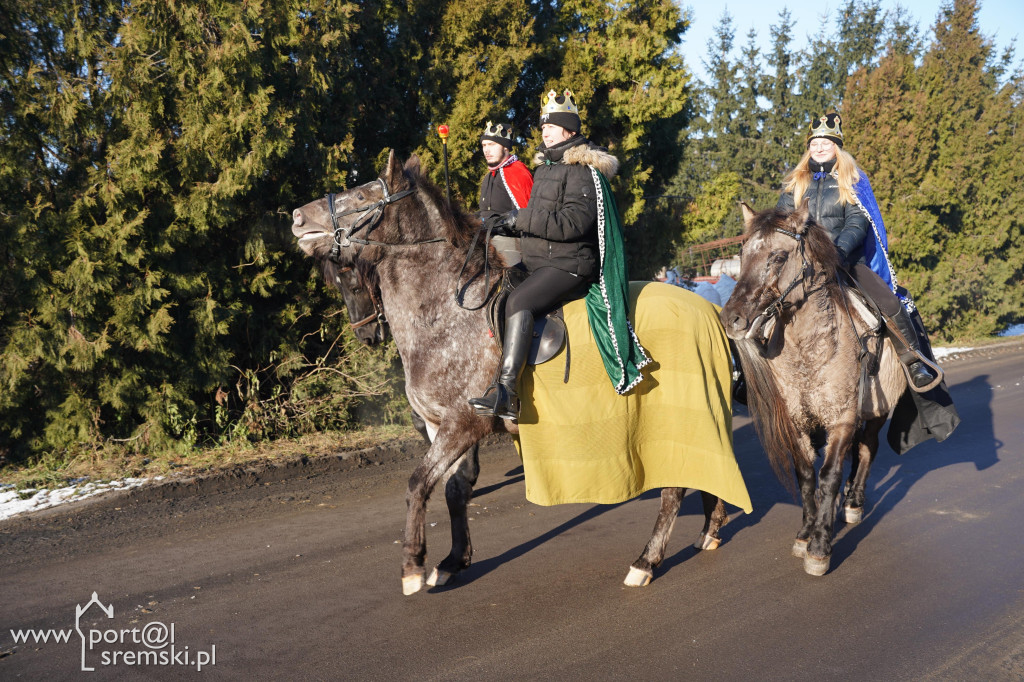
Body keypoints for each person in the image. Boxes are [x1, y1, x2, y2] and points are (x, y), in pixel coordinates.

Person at [469, 89, 646, 419]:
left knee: (519, 302)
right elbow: (537, 221)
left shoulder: (581, 169)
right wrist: (506, 225)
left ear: (570, 130)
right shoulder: (546, 168)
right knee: (495, 293)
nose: (544, 131)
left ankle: (507, 393)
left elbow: (573, 224)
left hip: (570, 264)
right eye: (542, 126)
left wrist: (519, 218)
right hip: (541, 261)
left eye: (551, 126)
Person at [777, 112, 935, 388]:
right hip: (801, 266)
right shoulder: (796, 183)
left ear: (837, 146)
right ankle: (752, 372)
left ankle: (914, 362)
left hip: (846, 262)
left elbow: (857, 222)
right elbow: (781, 222)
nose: (820, 147)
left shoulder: (852, 180)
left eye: (826, 142)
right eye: (814, 143)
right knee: (763, 303)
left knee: (889, 303)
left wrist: (836, 252)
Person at [477, 121, 533, 220]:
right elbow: (485, 213)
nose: (486, 150)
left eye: (491, 144)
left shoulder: (518, 172)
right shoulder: (488, 178)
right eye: (484, 145)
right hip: (486, 234)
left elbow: (526, 218)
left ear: (505, 147)